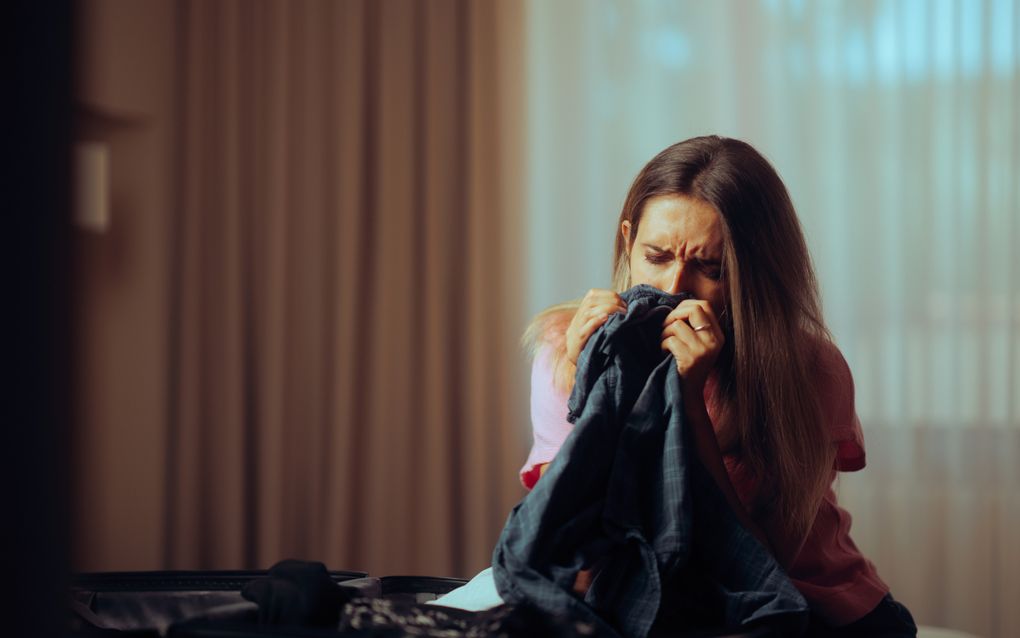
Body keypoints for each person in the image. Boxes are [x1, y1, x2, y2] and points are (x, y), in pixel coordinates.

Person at [519, 136, 917, 636]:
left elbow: (759, 565)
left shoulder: (811, 370)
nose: (673, 288)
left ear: (756, 271)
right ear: (627, 239)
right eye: (657, 255)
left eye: (711, 269)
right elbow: (567, 549)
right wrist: (591, 390)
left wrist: (689, 402)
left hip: (807, 603)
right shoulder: (565, 350)